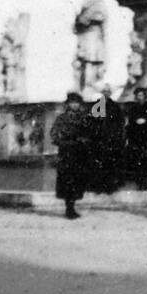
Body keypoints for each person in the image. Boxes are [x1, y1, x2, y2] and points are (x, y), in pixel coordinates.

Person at [53, 91, 91, 220]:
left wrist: (84, 140)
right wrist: (64, 142)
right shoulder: (62, 118)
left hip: (79, 153)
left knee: (77, 180)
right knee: (67, 180)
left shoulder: (83, 118)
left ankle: (72, 206)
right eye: (72, 103)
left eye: (77, 103)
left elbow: (89, 134)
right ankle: (68, 208)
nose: (74, 105)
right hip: (66, 153)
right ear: (68, 104)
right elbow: (54, 134)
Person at [87, 85, 125, 193]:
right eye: (104, 91)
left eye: (108, 91)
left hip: (112, 140)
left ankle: (110, 186)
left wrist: (116, 136)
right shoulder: (97, 105)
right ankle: (98, 186)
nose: (106, 93)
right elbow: (92, 122)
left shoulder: (115, 107)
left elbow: (120, 123)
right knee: (98, 164)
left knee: (111, 164)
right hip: (99, 139)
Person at [123, 87, 147, 190]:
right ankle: (140, 183)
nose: (140, 98)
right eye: (138, 96)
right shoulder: (132, 108)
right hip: (135, 138)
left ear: (145, 96)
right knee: (137, 161)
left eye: (142, 95)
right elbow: (128, 123)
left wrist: (145, 121)